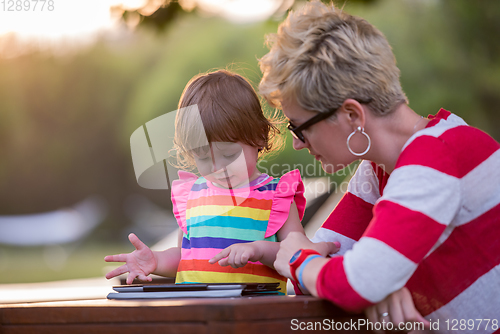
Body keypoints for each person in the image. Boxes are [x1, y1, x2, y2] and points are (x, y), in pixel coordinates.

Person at [259, 0, 500, 331]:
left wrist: (301, 260)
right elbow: (318, 278)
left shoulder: (436, 157)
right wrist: (372, 285)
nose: (298, 143)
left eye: (299, 128)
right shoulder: (379, 169)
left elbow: (348, 281)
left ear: (352, 115)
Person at [105, 70, 320, 294]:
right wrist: (155, 261)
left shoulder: (276, 196)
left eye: (229, 155)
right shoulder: (192, 196)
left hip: (256, 317)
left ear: (259, 136)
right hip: (197, 316)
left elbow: (299, 256)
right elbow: (186, 255)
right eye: (204, 158)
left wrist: (259, 250)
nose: (218, 168)